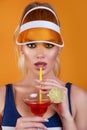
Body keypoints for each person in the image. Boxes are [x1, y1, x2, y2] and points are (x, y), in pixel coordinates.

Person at [0, 1, 87, 130]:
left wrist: (67, 118)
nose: (40, 54)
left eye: (48, 45)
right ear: (21, 49)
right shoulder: (1, 97)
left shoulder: (79, 98)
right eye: (31, 45)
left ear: (59, 49)